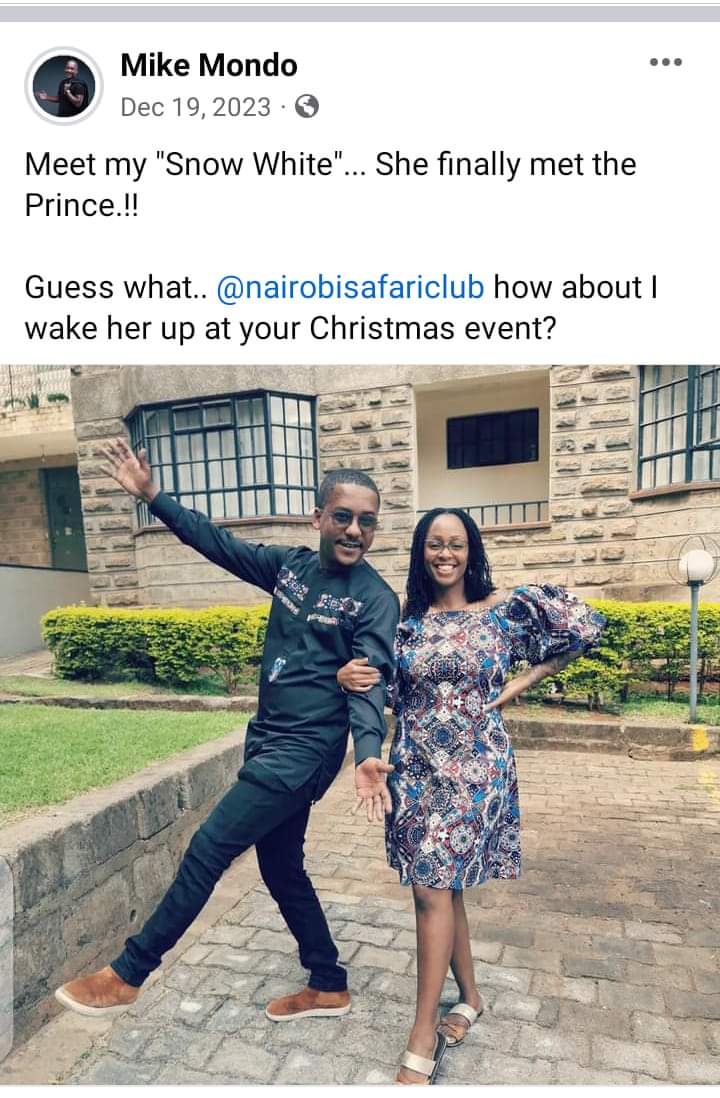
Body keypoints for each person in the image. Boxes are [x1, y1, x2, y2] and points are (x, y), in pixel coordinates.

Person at [55, 439, 399, 1022]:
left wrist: (368, 751)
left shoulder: (375, 599)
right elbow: (217, 544)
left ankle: (129, 974)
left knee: (209, 848)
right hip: (267, 738)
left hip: (304, 753)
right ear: (318, 517)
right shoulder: (289, 568)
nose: (354, 531)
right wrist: (153, 496)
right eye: (343, 516)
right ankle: (327, 981)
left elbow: (370, 682)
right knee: (281, 867)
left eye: (367, 522)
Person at [339, 507, 605, 1083]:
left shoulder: (501, 613)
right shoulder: (403, 622)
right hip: (414, 769)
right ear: (421, 552)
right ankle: (471, 998)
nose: (445, 554)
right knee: (442, 888)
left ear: (471, 551)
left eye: (456, 544)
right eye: (434, 544)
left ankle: (422, 1033)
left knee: (431, 890)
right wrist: (346, 679)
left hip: (474, 771)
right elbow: (382, 689)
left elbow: (587, 626)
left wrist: (524, 681)